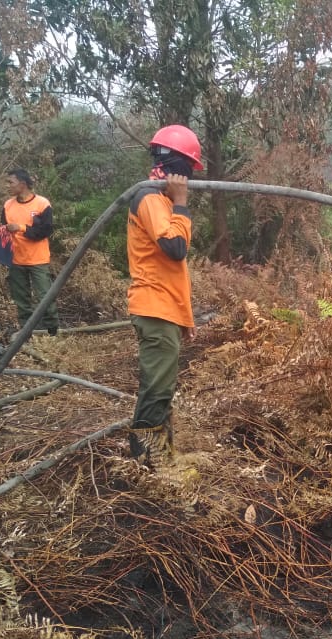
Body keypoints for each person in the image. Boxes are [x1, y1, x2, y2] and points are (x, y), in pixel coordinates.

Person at [126, 124, 203, 467]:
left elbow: (174, 271)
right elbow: (175, 248)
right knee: (156, 390)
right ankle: (147, 463)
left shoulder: (161, 201)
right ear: (176, 168)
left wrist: (184, 318)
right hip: (154, 309)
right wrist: (182, 204)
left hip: (165, 311)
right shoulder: (151, 198)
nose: (187, 181)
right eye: (186, 172)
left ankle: (162, 458)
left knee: (162, 388)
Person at [1, 169, 59, 336]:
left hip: (38, 260)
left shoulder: (42, 204)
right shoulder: (8, 205)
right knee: (21, 299)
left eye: (10, 182)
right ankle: (26, 332)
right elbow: (4, 229)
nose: (8, 186)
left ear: (23, 184)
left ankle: (52, 330)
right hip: (16, 260)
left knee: (45, 296)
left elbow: (45, 231)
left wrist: (21, 228)